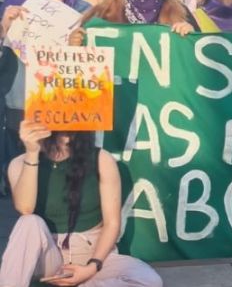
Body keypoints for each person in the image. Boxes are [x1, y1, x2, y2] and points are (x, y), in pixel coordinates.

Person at [0, 122, 162, 287]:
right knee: (29, 221)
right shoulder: (19, 163)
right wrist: (32, 152)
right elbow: (25, 208)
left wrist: (92, 267)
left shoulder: (102, 159)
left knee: (148, 280)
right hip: (46, 254)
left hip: (90, 253)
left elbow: (112, 224)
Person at [0, 0, 91, 176]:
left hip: (68, 109)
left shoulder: (85, 10)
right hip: (22, 107)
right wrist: (3, 31)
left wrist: (76, 50)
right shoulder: (15, 11)